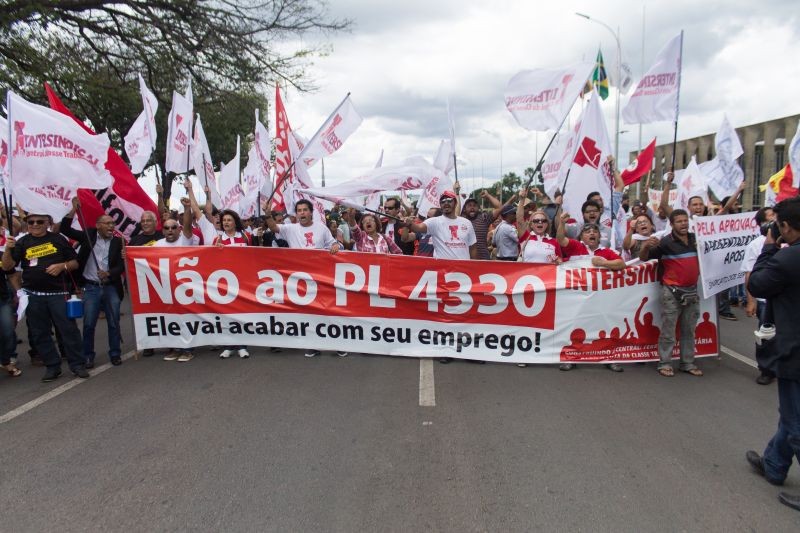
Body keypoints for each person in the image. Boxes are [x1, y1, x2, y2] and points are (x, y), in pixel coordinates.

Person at [745, 196, 800, 512]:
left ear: (786, 227)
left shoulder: (787, 258)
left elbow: (759, 283)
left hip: (795, 350)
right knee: (791, 413)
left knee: (795, 422)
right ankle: (774, 464)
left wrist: (768, 247)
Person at [1, 213, 87, 382]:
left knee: (68, 331)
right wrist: (8, 249)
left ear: (47, 223)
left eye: (39, 221)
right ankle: (53, 367)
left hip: (58, 294)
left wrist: (62, 266)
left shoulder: (58, 239)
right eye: (31, 221)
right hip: (34, 296)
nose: (35, 224)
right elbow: (7, 266)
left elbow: (75, 263)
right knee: (40, 334)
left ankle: (77, 365)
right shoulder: (22, 242)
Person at [265, 199, 345, 358]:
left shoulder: (322, 229)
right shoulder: (290, 229)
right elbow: (273, 227)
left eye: (304, 210)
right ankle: (313, 345)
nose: (301, 213)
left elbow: (335, 245)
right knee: (308, 313)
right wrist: (268, 214)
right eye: (299, 210)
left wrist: (337, 245)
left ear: (311, 212)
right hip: (301, 279)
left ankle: (338, 343)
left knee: (327, 310)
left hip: (321, 277)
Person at [60, 199, 125, 368]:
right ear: (98, 225)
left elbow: (120, 265)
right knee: (89, 324)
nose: (111, 226)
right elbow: (64, 229)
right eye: (107, 223)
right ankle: (88, 355)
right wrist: (73, 209)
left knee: (113, 321)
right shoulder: (88, 235)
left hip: (110, 286)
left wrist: (109, 273)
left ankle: (115, 353)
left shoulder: (118, 242)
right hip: (90, 287)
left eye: (113, 223)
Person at [639, 209, 703, 378]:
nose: (683, 224)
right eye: (679, 221)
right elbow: (644, 258)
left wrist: (703, 248)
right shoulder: (665, 243)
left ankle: (687, 363)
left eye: (685, 221)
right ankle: (665, 363)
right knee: (669, 330)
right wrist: (645, 246)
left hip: (692, 292)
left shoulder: (696, 240)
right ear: (672, 224)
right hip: (671, 293)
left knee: (689, 330)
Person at [154, 198, 197, 362]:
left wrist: (187, 209)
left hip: (184, 288)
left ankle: (187, 349)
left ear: (178, 229)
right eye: (167, 228)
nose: (170, 230)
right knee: (169, 319)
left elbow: (187, 226)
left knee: (185, 319)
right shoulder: (157, 245)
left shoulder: (185, 240)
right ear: (163, 231)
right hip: (165, 288)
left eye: (173, 227)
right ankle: (173, 348)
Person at [743, 207, 777, 385]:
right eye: (771, 217)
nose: (775, 220)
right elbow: (749, 274)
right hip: (765, 301)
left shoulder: (789, 241)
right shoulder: (755, 245)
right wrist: (751, 301)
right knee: (766, 335)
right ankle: (766, 369)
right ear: (763, 223)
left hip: (785, 300)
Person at [213, 209, 251, 359]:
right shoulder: (217, 239)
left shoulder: (246, 237)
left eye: (229, 220)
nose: (226, 223)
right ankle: (228, 346)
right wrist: (215, 250)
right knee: (226, 315)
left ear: (235, 222)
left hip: (243, 281)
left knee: (241, 315)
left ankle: (242, 346)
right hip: (225, 283)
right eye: (224, 221)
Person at [407, 191, 477, 260]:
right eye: (443, 201)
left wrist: (474, 268)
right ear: (440, 205)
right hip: (443, 270)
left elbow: (473, 248)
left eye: (449, 200)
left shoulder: (467, 223)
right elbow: (417, 228)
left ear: (455, 203)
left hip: (463, 269)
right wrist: (409, 223)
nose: (446, 203)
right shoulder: (434, 221)